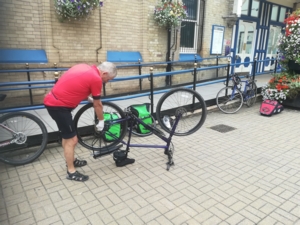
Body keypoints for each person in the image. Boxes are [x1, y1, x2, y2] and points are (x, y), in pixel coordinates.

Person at [44, 62, 134, 182]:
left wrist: (87, 97)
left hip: (54, 102)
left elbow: (76, 84)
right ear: (104, 73)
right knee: (72, 140)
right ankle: (71, 171)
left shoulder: (84, 67)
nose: (106, 82)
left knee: (67, 137)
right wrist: (101, 121)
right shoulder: (96, 79)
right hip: (59, 107)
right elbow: (98, 105)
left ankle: (71, 160)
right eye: (108, 79)